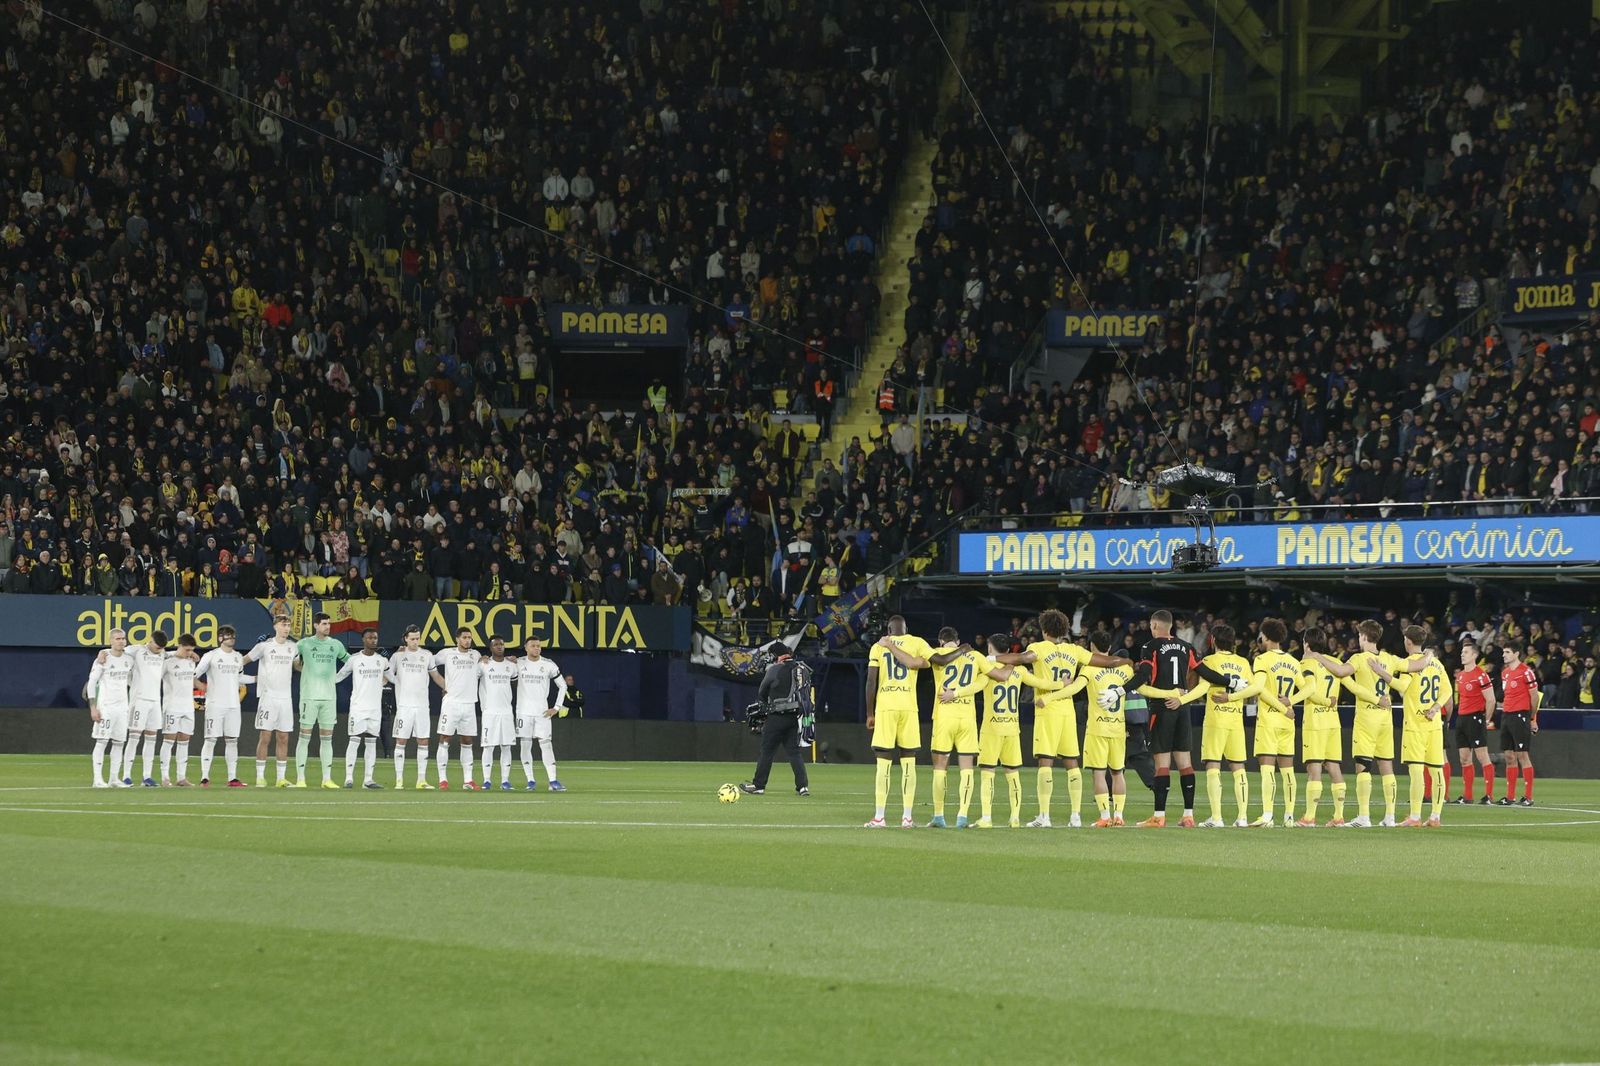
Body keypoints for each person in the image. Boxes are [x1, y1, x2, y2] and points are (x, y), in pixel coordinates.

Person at [993, 609, 1117, 829]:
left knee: (1046, 761)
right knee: (1071, 762)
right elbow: (1104, 662)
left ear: (1044, 629)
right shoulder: (1074, 650)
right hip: (1067, 711)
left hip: (1047, 709)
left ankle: (1044, 816)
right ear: (1063, 630)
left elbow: (1023, 658)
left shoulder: (1038, 648)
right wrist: (1125, 660)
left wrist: (992, 657)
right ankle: (1076, 816)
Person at [1072, 633, 1203, 827]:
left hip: (1098, 728)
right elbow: (1142, 688)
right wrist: (1174, 694)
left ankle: (1105, 817)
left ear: (1092, 647)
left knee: (1099, 773)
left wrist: (1056, 691)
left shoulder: (1089, 669)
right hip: (1120, 728)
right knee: (1118, 773)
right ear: (1109, 647)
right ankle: (1119, 816)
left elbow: (1075, 688)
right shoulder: (1125, 670)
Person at [940, 634, 1063, 828]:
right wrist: (1062, 684)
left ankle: (986, 818)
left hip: (991, 728)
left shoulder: (989, 669)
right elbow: (1041, 683)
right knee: (1013, 774)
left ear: (990, 649)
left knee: (988, 773)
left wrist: (954, 693)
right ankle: (1015, 818)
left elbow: (975, 686)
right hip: (1012, 728)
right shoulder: (1019, 670)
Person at [1135, 610, 1242, 828]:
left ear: (1155, 626)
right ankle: (1188, 815)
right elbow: (1205, 673)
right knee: (1185, 763)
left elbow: (1144, 676)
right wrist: (1231, 683)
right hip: (1183, 708)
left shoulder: (1150, 647)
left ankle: (1159, 816)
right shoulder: (1187, 646)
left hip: (1162, 707)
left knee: (1162, 765)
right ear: (1171, 626)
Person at [867, 616, 962, 828]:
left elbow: (871, 680)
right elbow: (938, 660)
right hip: (909, 708)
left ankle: (880, 817)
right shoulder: (917, 642)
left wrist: (869, 713)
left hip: (886, 707)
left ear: (888, 630)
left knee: (883, 762)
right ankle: (907, 817)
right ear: (906, 629)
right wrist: (963, 648)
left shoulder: (878, 646)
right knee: (909, 762)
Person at [1311, 619, 1404, 828]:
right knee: (1386, 765)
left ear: (1363, 637)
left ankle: (1364, 816)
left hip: (1366, 719)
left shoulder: (1360, 658)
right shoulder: (1389, 658)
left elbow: (1342, 671)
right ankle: (1390, 817)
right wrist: (1428, 656)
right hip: (1385, 719)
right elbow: (1413, 666)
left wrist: (1319, 657)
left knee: (1363, 766)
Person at [1197, 623, 1284, 828]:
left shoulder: (1209, 660)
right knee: (1238, 767)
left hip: (1216, 719)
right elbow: (1255, 689)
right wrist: (1281, 706)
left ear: (1213, 641)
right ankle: (1242, 817)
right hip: (1236, 719)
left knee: (1213, 765)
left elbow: (1201, 687)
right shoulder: (1244, 662)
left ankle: (1217, 818)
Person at [1373, 626, 1452, 827]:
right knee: (1437, 771)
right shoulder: (1436, 663)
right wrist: (1436, 708)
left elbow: (1402, 686)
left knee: (1416, 771)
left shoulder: (1410, 663)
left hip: (1415, 724)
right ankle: (1435, 816)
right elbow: (1448, 690)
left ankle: (1415, 816)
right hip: (1433, 723)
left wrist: (1381, 672)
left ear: (1408, 641)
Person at [922, 627, 982, 826]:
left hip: (944, 717)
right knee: (967, 768)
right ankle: (962, 816)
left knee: (940, 767)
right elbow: (993, 675)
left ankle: (939, 816)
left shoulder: (936, 653)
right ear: (957, 641)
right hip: (967, 719)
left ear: (941, 641)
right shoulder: (974, 656)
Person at [739, 650, 813, 797]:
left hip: (776, 718)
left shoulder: (775, 669)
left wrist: (764, 706)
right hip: (793, 718)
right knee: (794, 753)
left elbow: (762, 692)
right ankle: (803, 787)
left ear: (780, 655)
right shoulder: (801, 669)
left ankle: (759, 785)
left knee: (767, 752)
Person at [1293, 627, 1347, 827]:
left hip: (1315, 721)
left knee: (1313, 767)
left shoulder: (1306, 663)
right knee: (1333, 766)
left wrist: (1325, 702)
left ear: (1306, 643)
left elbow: (1310, 690)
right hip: (1333, 721)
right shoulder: (1336, 663)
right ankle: (1339, 816)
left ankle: (1309, 817)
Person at [1250, 619, 1302, 827]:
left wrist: (1282, 708)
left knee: (1268, 769)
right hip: (1287, 722)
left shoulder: (1261, 660)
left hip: (1269, 720)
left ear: (1265, 636)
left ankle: (1268, 815)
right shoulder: (1293, 661)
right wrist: (1290, 705)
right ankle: (1289, 817)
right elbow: (1309, 688)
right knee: (1288, 769)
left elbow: (1260, 690)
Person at [293, 612, 350, 788]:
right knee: (304, 737)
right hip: (309, 697)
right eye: (324, 623)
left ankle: (327, 779)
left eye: (329, 623)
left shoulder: (336, 645)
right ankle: (300, 779)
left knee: (327, 739)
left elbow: (350, 662)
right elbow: (292, 661)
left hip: (329, 698)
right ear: (316, 625)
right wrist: (302, 668)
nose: (328, 626)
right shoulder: (304, 644)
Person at [385, 624, 444, 789]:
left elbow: (436, 676)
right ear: (405, 638)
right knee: (401, 741)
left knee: (423, 741)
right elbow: (388, 673)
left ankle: (421, 780)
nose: (415, 642)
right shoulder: (397, 656)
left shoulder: (426, 655)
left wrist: (448, 688)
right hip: (404, 706)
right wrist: (394, 681)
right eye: (412, 639)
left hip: (422, 706)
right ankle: (399, 780)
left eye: (417, 638)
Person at [195, 625, 251, 786]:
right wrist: (201, 686)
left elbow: (239, 678)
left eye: (233, 635)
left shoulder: (238, 657)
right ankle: (204, 777)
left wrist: (257, 679)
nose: (231, 638)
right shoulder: (210, 656)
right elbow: (195, 674)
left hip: (233, 705)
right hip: (215, 704)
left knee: (232, 740)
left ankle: (232, 777)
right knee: (211, 739)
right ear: (220, 638)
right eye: (227, 635)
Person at [246, 615, 299, 787]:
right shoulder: (264, 646)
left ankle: (280, 778)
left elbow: (298, 666)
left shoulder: (293, 647)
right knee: (265, 736)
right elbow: (245, 660)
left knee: (283, 737)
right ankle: (260, 776)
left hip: (286, 698)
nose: (287, 628)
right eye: (284, 625)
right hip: (268, 697)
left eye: (289, 625)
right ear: (275, 626)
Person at [335, 628, 389, 789]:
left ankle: (368, 780)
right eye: (370, 638)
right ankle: (349, 778)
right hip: (358, 707)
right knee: (354, 740)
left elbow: (391, 678)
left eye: (376, 638)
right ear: (363, 640)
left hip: (375, 709)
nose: (373, 640)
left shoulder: (382, 660)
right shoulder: (354, 659)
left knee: (371, 742)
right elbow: (339, 676)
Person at [515, 638, 568, 791]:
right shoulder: (518, 663)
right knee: (525, 745)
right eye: (533, 646)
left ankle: (553, 781)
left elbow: (562, 685)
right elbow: (499, 664)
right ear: (526, 647)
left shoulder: (548, 664)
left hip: (542, 713)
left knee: (546, 745)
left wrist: (556, 707)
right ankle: (530, 780)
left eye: (539, 646)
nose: (536, 648)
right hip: (523, 712)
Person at [434, 627, 483, 789]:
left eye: (469, 637)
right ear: (457, 639)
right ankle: (442, 779)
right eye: (464, 637)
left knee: (467, 741)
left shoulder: (475, 655)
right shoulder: (446, 653)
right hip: (451, 703)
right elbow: (428, 662)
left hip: (469, 704)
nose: (468, 640)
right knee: (445, 739)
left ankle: (468, 780)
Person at [86, 628, 135, 787]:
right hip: (106, 707)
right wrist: (93, 707)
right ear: (111, 641)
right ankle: (97, 779)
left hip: (122, 707)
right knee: (102, 741)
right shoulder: (103, 658)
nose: (121, 641)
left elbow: (130, 681)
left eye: (123, 638)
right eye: (117, 638)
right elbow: (92, 683)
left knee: (119, 742)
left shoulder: (129, 660)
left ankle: (114, 778)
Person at [1494, 640, 1539, 806]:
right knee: (1509, 756)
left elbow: (1534, 697)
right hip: (1506, 715)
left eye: (1506, 652)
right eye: (1503, 652)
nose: (1503, 655)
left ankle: (1528, 797)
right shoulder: (1505, 673)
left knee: (1522, 755)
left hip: (1521, 715)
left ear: (1516, 654)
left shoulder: (1526, 672)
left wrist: (1532, 718)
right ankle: (1510, 796)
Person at [1451, 640, 1496, 804]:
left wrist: (1487, 719)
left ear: (1475, 655)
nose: (1462, 655)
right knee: (1464, 758)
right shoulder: (1461, 676)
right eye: (1462, 653)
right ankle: (1468, 796)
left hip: (1475, 718)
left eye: (1466, 653)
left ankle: (1489, 795)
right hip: (1461, 718)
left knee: (1482, 756)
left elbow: (1491, 700)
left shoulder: (1481, 675)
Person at [122, 630, 169, 786]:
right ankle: (126, 776)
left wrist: (190, 654)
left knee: (151, 739)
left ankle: (146, 777)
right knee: (134, 737)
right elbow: (118, 650)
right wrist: (103, 652)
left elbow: (176, 654)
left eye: (162, 647)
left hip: (155, 701)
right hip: (139, 700)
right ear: (150, 640)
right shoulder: (136, 650)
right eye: (157, 646)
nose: (159, 649)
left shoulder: (163, 653)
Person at [158, 634, 202, 786]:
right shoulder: (168, 662)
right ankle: (165, 777)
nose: (189, 653)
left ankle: (181, 777)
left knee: (185, 741)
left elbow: (190, 680)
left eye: (192, 650)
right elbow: (155, 678)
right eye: (187, 649)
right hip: (171, 706)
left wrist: (200, 685)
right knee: (169, 740)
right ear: (180, 645)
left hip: (188, 707)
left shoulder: (191, 662)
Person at [478, 637, 520, 790]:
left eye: (502, 644)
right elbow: (471, 678)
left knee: (506, 746)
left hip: (507, 712)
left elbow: (516, 686)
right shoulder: (483, 664)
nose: (499, 647)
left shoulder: (511, 666)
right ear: (490, 648)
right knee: (488, 746)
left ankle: (505, 781)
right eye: (496, 645)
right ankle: (487, 780)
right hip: (489, 712)